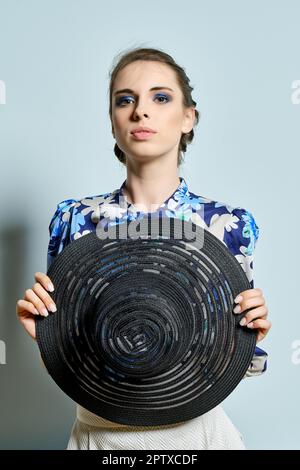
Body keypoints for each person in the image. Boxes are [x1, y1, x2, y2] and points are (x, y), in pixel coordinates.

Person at [16, 47, 271, 450]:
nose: (141, 111)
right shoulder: (74, 219)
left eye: (161, 97)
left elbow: (226, 369)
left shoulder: (230, 225)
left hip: (198, 433)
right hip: (100, 433)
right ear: (113, 120)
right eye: (125, 99)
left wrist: (248, 337)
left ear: (189, 117)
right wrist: (43, 335)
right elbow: (75, 359)